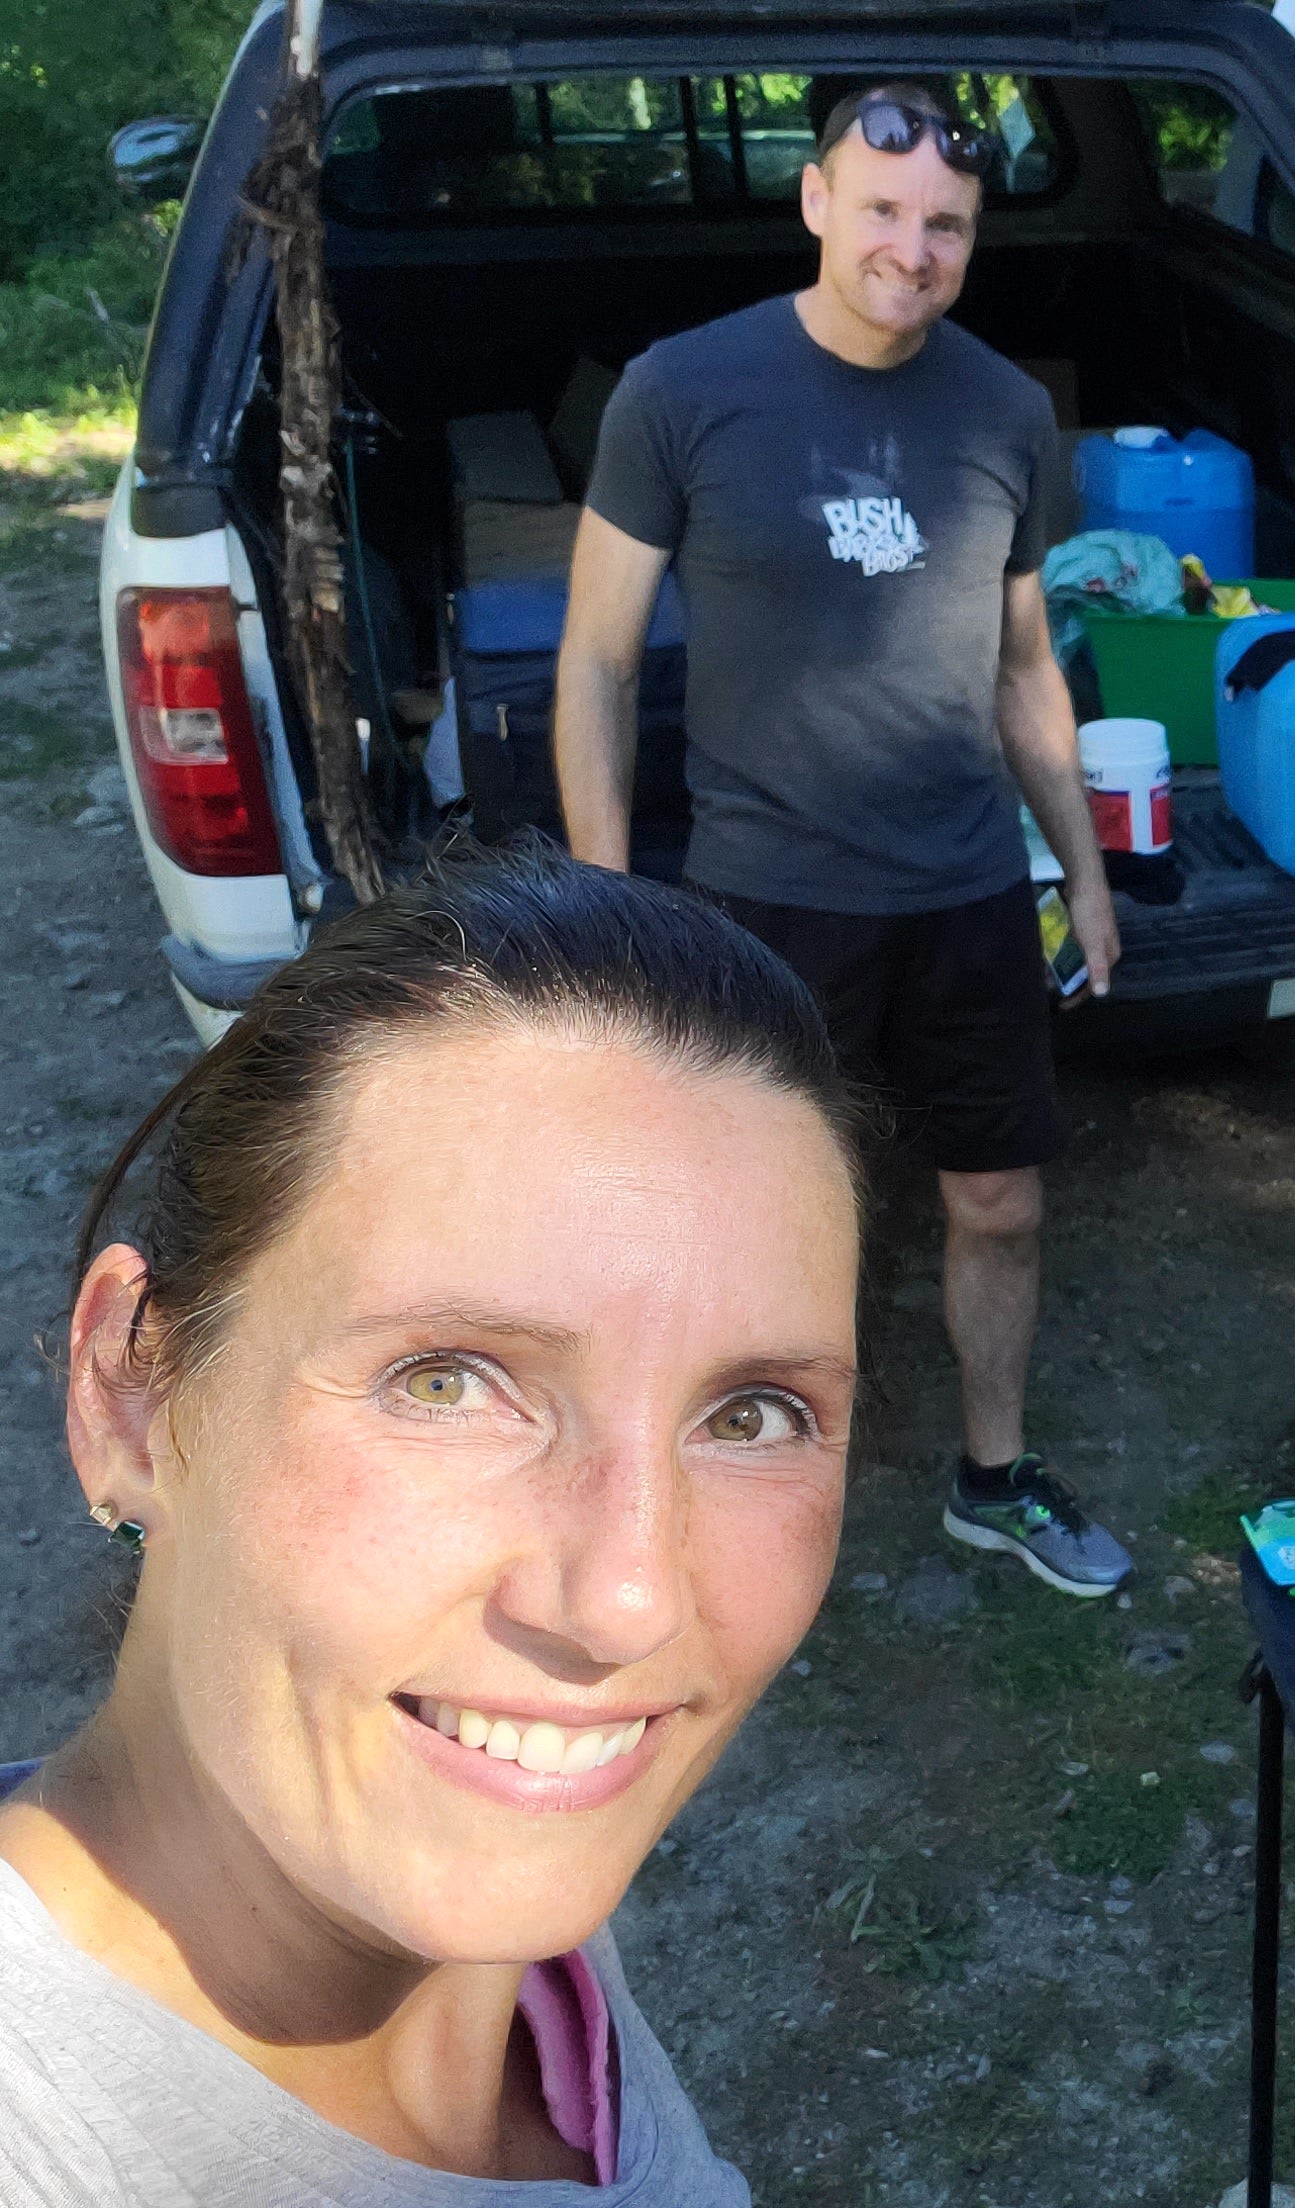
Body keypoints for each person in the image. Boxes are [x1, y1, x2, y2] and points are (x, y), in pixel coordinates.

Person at [0, 846, 867, 2199]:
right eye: (447, 1383)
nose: (627, 1601)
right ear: (129, 1393)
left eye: (751, 1414)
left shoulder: (519, 1969)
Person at [552, 77, 1135, 1599]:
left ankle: (992, 1480)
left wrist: (1077, 865)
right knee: (744, 1216)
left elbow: (1024, 666)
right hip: (763, 898)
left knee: (999, 1199)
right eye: (881, 211)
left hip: (963, 889)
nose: (913, 247)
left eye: (945, 224)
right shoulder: (681, 392)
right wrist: (608, 910)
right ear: (816, 201)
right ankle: (690, 1504)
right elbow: (597, 662)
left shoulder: (1007, 412)